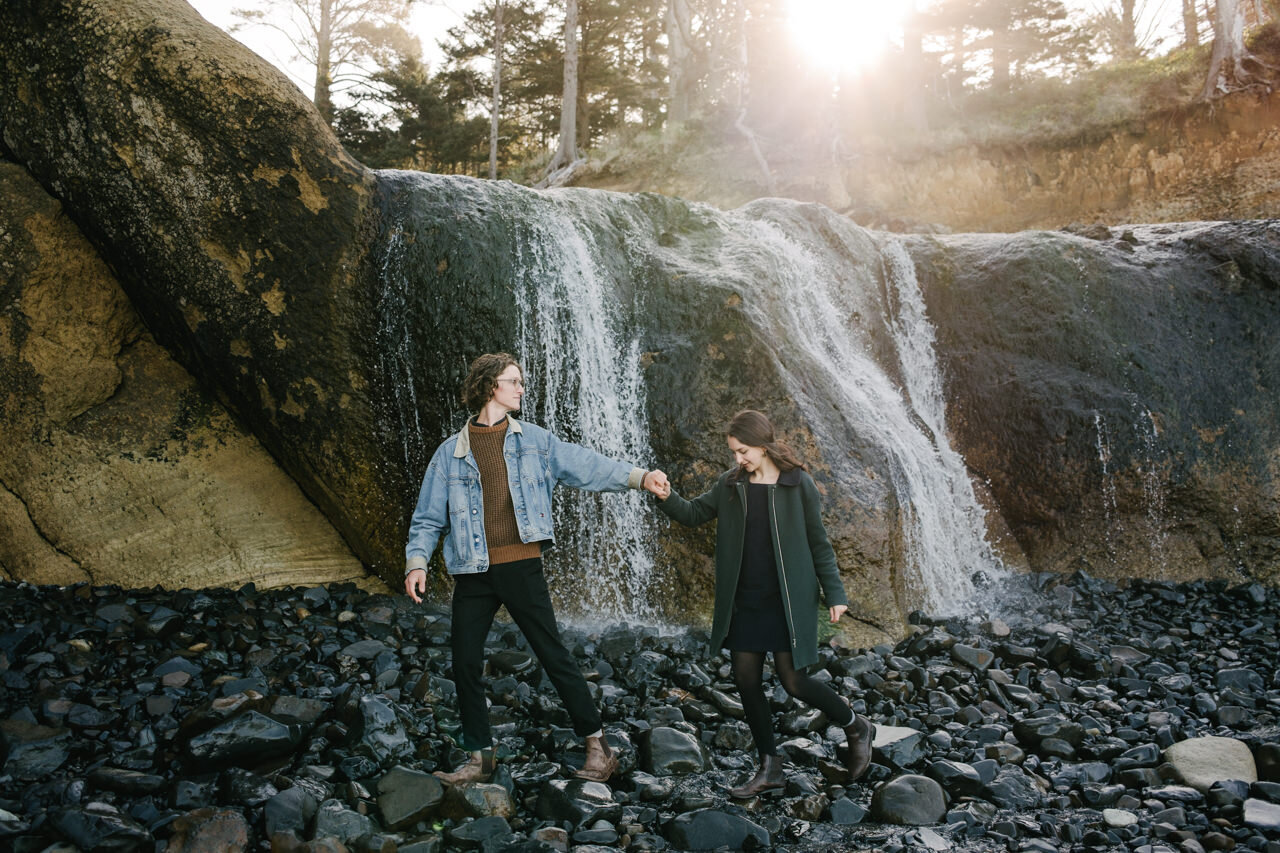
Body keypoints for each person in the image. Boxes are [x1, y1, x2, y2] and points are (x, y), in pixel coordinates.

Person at [404, 352, 668, 785]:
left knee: (553, 655)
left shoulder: (535, 441)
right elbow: (429, 517)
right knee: (464, 662)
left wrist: (639, 476)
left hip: (521, 566)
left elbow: (586, 465)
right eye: (514, 382)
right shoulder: (449, 453)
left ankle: (597, 748)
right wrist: (417, 563)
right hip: (472, 572)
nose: (521, 389)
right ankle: (478, 757)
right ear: (491, 387)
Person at [651, 410, 874, 797]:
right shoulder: (730, 484)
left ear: (763, 445)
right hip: (746, 600)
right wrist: (666, 496)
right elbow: (693, 514)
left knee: (794, 681)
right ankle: (770, 766)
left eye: (743, 451)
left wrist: (835, 594)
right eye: (734, 453)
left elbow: (819, 542)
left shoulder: (797, 484)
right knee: (745, 679)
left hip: (787, 600)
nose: (738, 459)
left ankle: (855, 725)